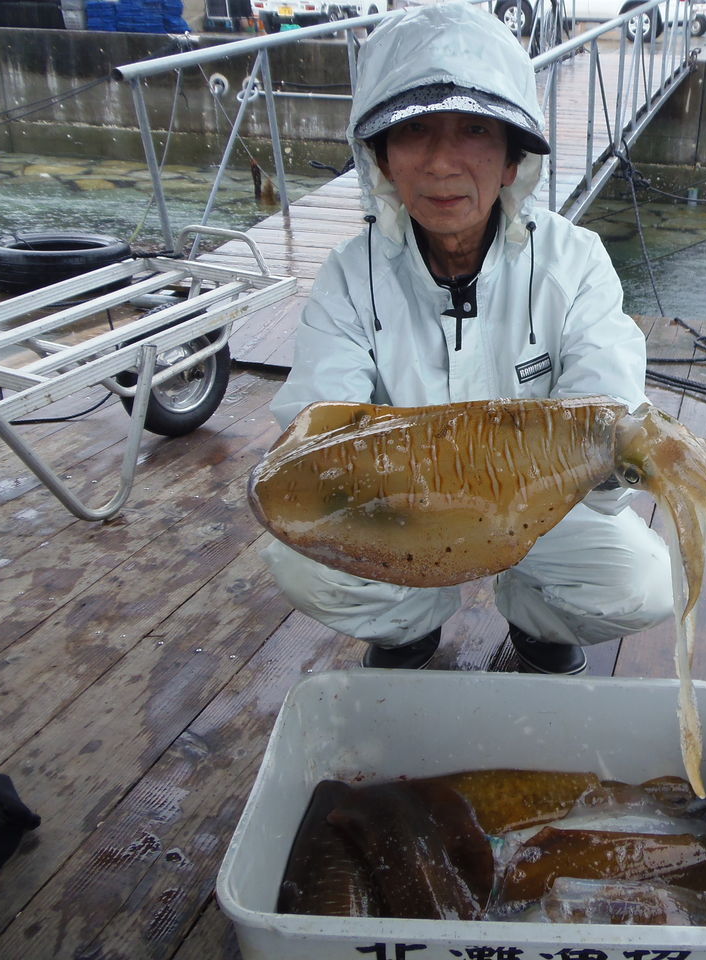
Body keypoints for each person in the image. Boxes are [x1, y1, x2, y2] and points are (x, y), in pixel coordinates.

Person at [262, 1, 673, 675]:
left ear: (513, 160)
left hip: (540, 516)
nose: (443, 162)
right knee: (302, 563)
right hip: (404, 516)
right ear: (382, 160)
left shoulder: (577, 263)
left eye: (475, 130)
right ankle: (410, 627)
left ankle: (536, 617)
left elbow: (610, 411)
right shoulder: (346, 276)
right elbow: (310, 435)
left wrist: (611, 460)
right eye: (415, 131)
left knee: (645, 584)